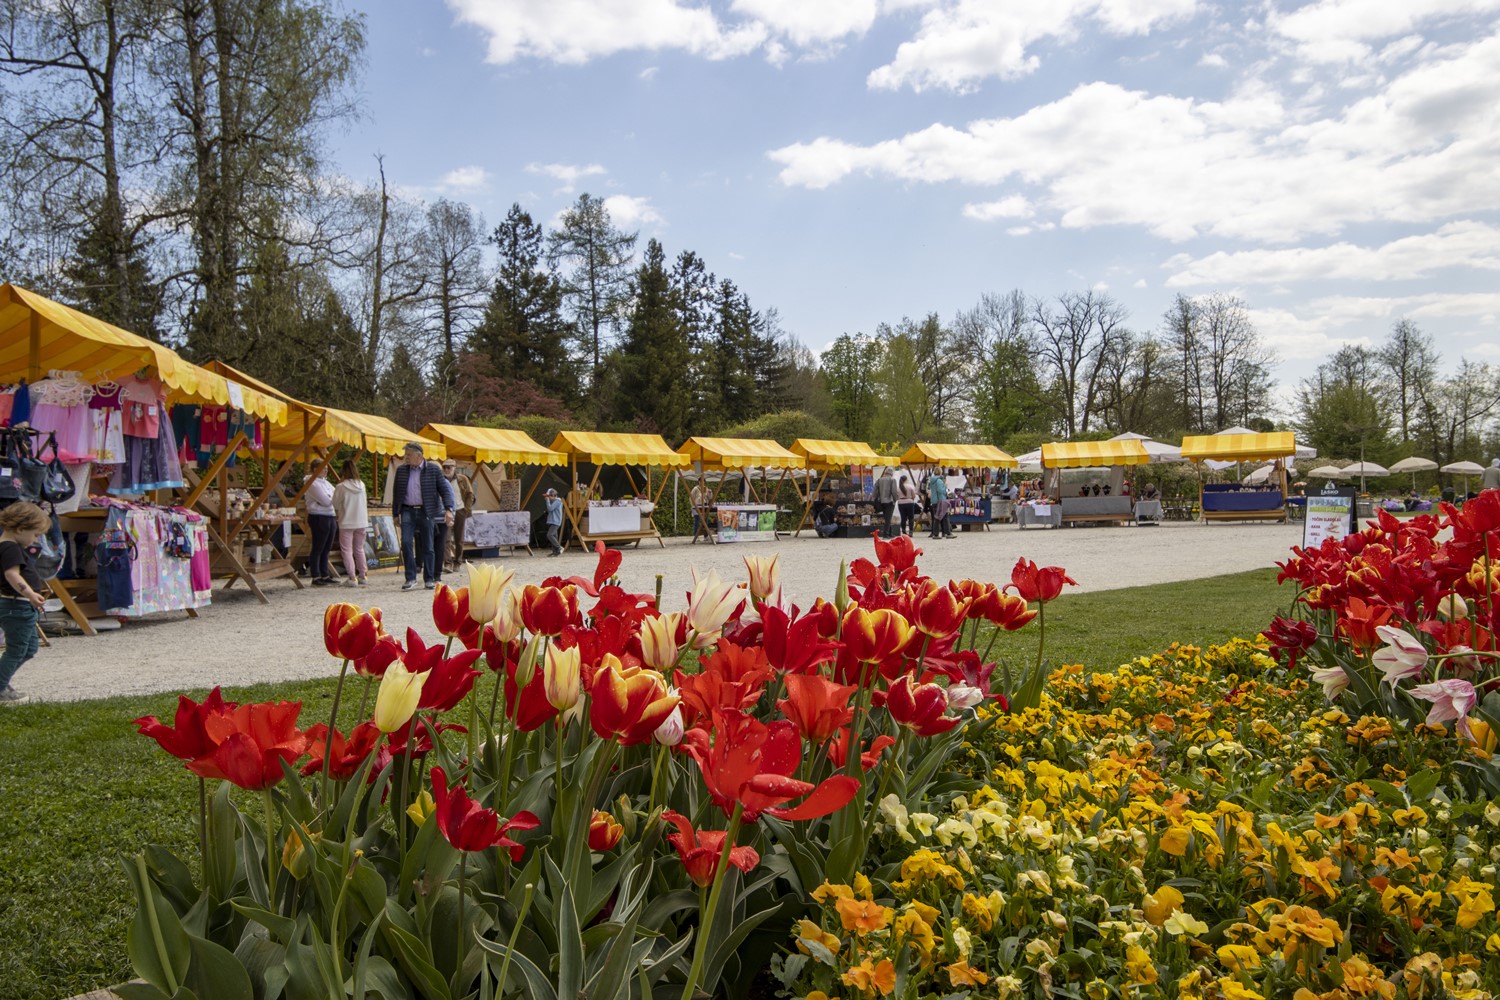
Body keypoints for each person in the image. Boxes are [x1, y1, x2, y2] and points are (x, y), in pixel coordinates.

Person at [0, 502, 49, 703]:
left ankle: (2, 681)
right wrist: (30, 594)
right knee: (17, 649)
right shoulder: (10, 548)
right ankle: (0, 687)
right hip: (16, 606)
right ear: (20, 529)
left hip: (21, 606)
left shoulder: (10, 547)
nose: (35, 540)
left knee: (29, 649)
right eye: (35, 534)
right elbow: (12, 574)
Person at [391, 442, 454, 591]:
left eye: (409, 454)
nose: (406, 457)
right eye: (406, 454)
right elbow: (396, 493)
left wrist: (448, 509)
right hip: (407, 510)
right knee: (406, 542)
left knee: (428, 545)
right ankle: (411, 578)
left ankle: (429, 578)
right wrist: (395, 514)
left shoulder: (433, 470)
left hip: (427, 511)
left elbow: (444, 490)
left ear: (419, 456)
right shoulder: (401, 470)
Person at [333, 459, 369, 587]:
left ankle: (352, 577)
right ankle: (363, 575)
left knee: (347, 550)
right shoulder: (362, 485)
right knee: (359, 549)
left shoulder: (341, 487)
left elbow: (335, 504)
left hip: (347, 521)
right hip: (361, 521)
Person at [303, 464, 337, 586]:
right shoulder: (311, 482)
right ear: (315, 469)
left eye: (327, 469)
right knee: (318, 547)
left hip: (330, 515)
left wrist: (331, 499)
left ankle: (325, 574)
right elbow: (326, 501)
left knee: (327, 547)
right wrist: (331, 499)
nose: (326, 471)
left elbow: (337, 496)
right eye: (323, 469)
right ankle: (316, 575)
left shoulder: (326, 483)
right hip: (318, 515)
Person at [442, 459, 475, 571]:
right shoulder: (441, 480)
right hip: (446, 511)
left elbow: (470, 494)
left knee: (459, 539)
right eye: (444, 467)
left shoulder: (462, 479)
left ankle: (458, 562)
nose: (446, 469)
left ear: (454, 468)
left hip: (460, 510)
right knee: (446, 538)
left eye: (449, 467)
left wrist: (466, 510)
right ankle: (447, 563)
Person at [873, 468, 898, 537]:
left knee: (887, 517)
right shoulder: (892, 480)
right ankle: (886, 534)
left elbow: (875, 490)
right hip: (890, 501)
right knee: (888, 518)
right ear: (891, 473)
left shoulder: (879, 480)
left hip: (881, 501)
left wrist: (875, 497)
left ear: (885, 472)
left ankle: (890, 533)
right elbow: (894, 491)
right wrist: (895, 499)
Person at [927, 471, 951, 539]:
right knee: (944, 517)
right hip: (940, 500)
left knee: (937, 517)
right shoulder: (939, 481)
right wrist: (945, 486)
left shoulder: (932, 480)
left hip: (934, 500)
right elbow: (940, 490)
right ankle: (946, 533)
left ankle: (937, 533)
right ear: (940, 472)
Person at [544, 487, 564, 556]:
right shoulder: (553, 501)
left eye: (548, 496)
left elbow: (550, 508)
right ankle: (556, 552)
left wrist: (547, 501)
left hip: (556, 521)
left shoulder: (558, 501)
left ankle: (559, 547)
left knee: (550, 535)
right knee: (554, 537)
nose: (547, 498)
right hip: (552, 521)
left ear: (553, 495)